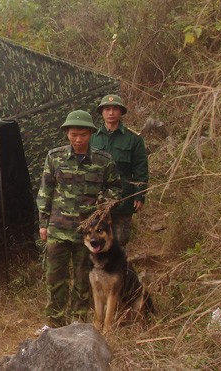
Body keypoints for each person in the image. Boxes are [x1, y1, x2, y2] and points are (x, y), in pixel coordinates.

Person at [36, 110, 121, 327]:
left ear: (91, 134)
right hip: (58, 228)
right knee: (55, 278)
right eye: (73, 134)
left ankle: (79, 322)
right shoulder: (54, 157)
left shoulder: (103, 161)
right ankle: (54, 322)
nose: (77, 139)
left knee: (84, 278)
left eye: (82, 135)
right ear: (67, 133)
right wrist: (43, 224)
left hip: (89, 233)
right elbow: (45, 191)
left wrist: (101, 202)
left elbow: (115, 189)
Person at [91, 94, 149, 248]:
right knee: (98, 243)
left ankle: (122, 271)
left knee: (119, 242)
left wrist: (140, 194)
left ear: (121, 112)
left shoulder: (133, 139)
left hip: (123, 198)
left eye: (115, 109)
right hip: (97, 199)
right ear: (101, 112)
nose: (111, 113)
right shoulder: (92, 138)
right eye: (107, 109)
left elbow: (140, 168)